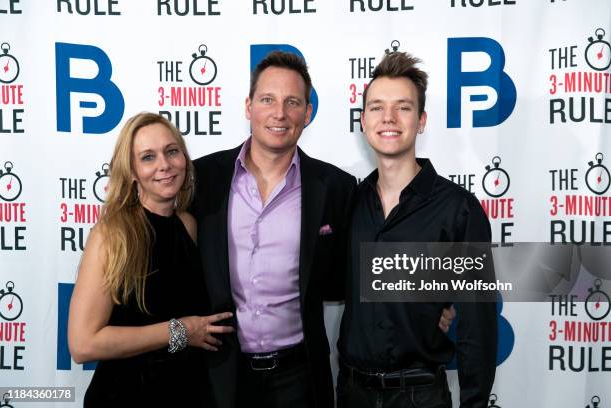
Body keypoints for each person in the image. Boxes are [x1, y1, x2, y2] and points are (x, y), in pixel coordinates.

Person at [191, 51, 455, 408]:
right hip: (218, 373)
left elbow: (362, 262)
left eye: (292, 102)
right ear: (248, 106)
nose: (279, 113)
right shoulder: (201, 178)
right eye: (267, 99)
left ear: (308, 113)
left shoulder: (336, 188)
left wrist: (434, 297)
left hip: (299, 378)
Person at [336, 51, 497, 408]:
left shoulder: (459, 209)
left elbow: (477, 328)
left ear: (421, 121)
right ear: (363, 121)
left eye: (403, 107)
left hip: (420, 396)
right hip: (351, 393)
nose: (389, 118)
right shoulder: (348, 202)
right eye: (377, 107)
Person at [68, 112, 234, 407]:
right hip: (126, 395)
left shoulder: (188, 225)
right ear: (131, 171)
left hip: (187, 393)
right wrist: (179, 331)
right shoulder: (112, 234)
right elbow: (83, 344)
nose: (164, 165)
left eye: (172, 151)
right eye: (148, 157)